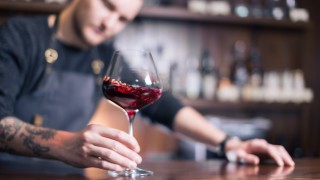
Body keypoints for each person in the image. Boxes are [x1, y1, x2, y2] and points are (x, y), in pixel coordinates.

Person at [0, 0, 294, 172]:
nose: (109, 23)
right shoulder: (20, 35)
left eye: (123, 19)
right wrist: (66, 144)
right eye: (107, 5)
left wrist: (230, 143)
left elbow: (164, 105)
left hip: (66, 176)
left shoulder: (103, 55)